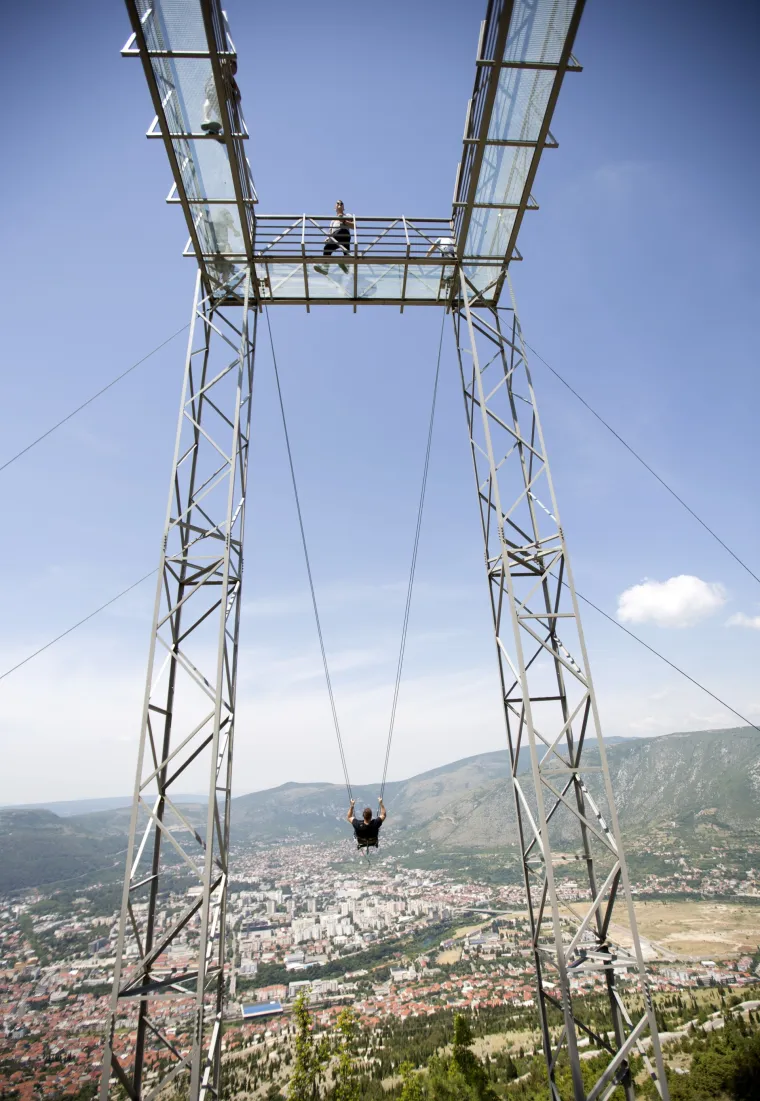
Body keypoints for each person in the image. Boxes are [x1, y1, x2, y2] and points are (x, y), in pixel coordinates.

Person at [200, 58, 241, 144]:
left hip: (217, 93)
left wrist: (236, 96)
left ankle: (213, 128)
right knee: (217, 109)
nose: (233, 70)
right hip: (214, 88)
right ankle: (208, 121)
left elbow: (238, 93)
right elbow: (220, 63)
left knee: (214, 106)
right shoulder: (220, 69)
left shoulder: (230, 78)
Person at [315, 200, 352, 275]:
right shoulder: (332, 220)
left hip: (344, 232)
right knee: (327, 248)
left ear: (343, 207)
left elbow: (354, 225)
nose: (339, 204)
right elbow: (330, 232)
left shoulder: (347, 215)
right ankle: (325, 268)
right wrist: (328, 238)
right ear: (335, 207)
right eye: (337, 203)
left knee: (345, 247)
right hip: (335, 235)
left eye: (341, 203)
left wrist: (343, 221)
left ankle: (346, 265)